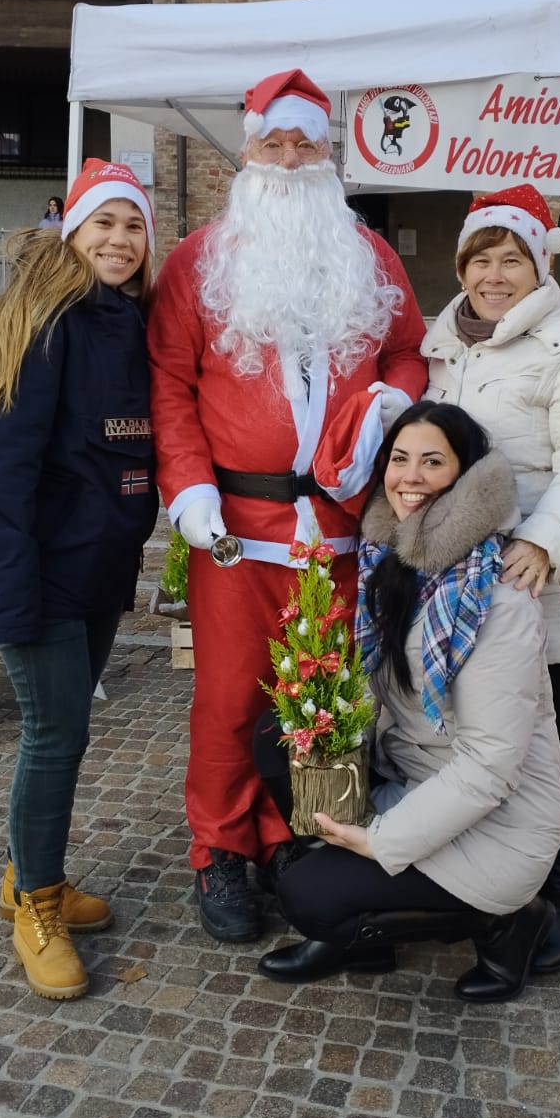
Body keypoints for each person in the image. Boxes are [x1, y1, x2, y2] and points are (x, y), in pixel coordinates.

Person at [148, 68, 428, 943]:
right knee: (232, 697)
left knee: (325, 695)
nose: (290, 157)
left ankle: (295, 837)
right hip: (237, 530)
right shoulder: (198, 263)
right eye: (274, 143)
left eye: (305, 143)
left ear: (327, 154)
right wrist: (189, 486)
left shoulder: (368, 255)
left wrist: (392, 401)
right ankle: (220, 847)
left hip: (341, 527)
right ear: (248, 154)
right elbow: (169, 382)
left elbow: (408, 349)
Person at [253, 401, 560, 1001]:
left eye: (433, 462)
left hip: (498, 825)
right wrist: (329, 745)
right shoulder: (394, 567)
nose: (410, 477)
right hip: (415, 777)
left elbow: (490, 766)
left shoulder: (495, 599)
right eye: (399, 460)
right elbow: (382, 699)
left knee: (306, 897)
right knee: (281, 735)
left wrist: (383, 840)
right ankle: (362, 930)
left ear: (468, 478)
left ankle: (508, 922)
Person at [0, 159, 159, 1000]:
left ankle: (27, 873)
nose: (119, 240)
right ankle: (36, 908)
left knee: (67, 733)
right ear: (72, 230)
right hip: (41, 575)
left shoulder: (129, 320)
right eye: (104, 223)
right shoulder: (35, 321)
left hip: (99, 570)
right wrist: (9, 593)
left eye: (134, 225)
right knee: (56, 734)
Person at [423, 185, 560, 974]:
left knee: (556, 738)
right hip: (461, 582)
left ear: (541, 266)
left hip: (544, 581)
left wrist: (544, 541)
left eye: (512, 259)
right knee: (482, 734)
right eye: (481, 260)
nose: (495, 275)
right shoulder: (443, 348)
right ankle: (488, 873)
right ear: (462, 268)